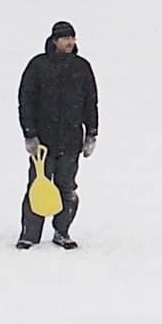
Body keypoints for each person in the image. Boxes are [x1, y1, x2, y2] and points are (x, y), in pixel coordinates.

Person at [16, 20, 99, 250]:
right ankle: (29, 234)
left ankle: (62, 231)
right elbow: (26, 101)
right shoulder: (38, 66)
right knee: (37, 185)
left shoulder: (82, 67)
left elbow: (91, 102)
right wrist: (29, 134)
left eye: (72, 38)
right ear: (54, 41)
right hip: (43, 142)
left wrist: (92, 133)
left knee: (67, 187)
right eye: (65, 38)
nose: (70, 42)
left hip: (71, 140)